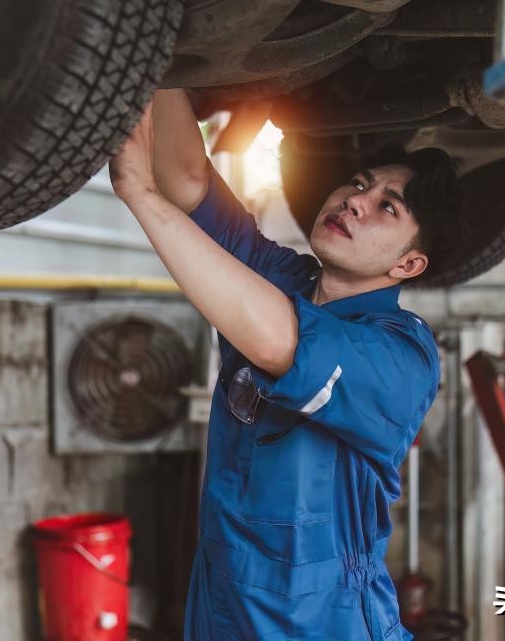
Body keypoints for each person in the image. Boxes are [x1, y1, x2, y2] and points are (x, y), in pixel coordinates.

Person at [109, 88, 466, 640]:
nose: (355, 201)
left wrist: (139, 194)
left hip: (326, 624)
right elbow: (189, 183)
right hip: (221, 604)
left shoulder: (404, 354)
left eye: (386, 207)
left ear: (409, 263)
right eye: (359, 183)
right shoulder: (283, 278)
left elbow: (284, 342)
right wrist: (158, 47)